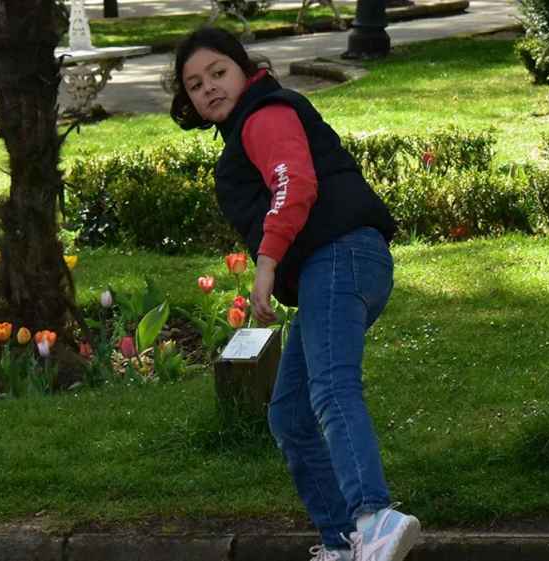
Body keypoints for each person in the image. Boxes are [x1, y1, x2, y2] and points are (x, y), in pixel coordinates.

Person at [165, 27, 421, 561]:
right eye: (194, 84)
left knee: (330, 388)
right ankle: (344, 543)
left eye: (218, 73)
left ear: (245, 71)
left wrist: (266, 262)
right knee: (291, 416)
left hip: (340, 256)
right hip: (336, 266)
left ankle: (374, 517)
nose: (208, 88)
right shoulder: (248, 125)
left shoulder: (265, 114)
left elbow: (294, 183)